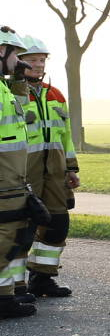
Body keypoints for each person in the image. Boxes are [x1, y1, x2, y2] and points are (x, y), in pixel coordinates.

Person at [19, 35, 78, 299]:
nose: (39, 65)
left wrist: (71, 167)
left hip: (54, 173)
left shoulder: (56, 95)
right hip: (21, 172)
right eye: (32, 60)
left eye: (42, 60)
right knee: (20, 228)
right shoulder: (11, 95)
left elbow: (65, 135)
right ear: (18, 62)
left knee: (57, 223)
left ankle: (42, 278)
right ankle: (13, 286)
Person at [0, 28, 42, 319]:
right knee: (3, 238)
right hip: (3, 180)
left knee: (9, 237)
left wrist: (16, 80)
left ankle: (3, 298)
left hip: (12, 178)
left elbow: (19, 113)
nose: (20, 61)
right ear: (1, 52)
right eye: (16, 54)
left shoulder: (3, 87)